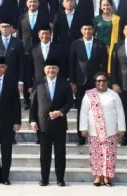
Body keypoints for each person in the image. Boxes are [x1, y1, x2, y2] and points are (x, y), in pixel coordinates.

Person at [30, 59, 73, 187]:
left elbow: (69, 102)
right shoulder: (38, 83)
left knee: (60, 153)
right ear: (44, 70)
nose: (51, 70)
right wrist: (32, 120)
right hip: (43, 125)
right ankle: (45, 178)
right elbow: (33, 104)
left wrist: (60, 112)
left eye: (54, 68)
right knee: (44, 154)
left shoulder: (64, 83)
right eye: (49, 68)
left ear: (58, 70)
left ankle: (60, 178)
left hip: (59, 123)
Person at [79, 72, 126, 187]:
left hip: (111, 130)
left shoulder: (114, 95)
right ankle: (97, 176)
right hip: (94, 130)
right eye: (98, 81)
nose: (101, 83)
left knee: (109, 154)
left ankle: (107, 176)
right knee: (96, 154)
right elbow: (84, 112)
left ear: (107, 82)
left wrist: (121, 128)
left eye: (104, 81)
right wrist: (83, 128)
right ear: (95, 82)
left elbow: (120, 112)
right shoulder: (89, 95)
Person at [69, 19, 108, 145]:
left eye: (90, 29)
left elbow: (104, 64)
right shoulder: (75, 44)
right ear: (81, 31)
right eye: (85, 29)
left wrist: (102, 81)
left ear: (93, 30)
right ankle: (81, 136)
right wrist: (72, 82)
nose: (87, 31)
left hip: (96, 83)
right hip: (80, 83)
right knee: (82, 110)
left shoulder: (100, 44)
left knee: (97, 111)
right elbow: (71, 64)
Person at [18, 0, 49, 109]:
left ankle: (41, 99)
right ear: (27, 4)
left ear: (38, 3)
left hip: (39, 49)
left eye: (34, 2)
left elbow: (47, 33)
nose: (32, 4)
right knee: (26, 74)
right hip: (25, 50)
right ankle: (26, 100)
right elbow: (19, 34)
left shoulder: (44, 16)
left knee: (39, 73)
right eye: (30, 2)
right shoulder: (21, 17)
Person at [0, 19, 25, 97]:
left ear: (11, 28)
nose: (4, 29)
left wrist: (21, 81)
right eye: (2, 27)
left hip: (13, 77)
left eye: (7, 27)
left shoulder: (18, 42)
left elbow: (21, 62)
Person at [52, 0, 82, 79]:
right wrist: (54, 47)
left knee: (76, 70)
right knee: (63, 71)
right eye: (67, 1)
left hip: (77, 46)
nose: (69, 3)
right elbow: (55, 33)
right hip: (62, 47)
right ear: (63, 3)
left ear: (75, 3)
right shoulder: (58, 16)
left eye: (71, 1)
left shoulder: (81, 15)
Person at [94, 0, 121, 73]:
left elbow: (120, 35)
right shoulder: (96, 19)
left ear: (111, 6)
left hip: (113, 48)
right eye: (103, 5)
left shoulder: (117, 19)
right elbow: (92, 34)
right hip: (98, 48)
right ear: (100, 7)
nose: (106, 7)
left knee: (112, 69)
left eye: (108, 5)